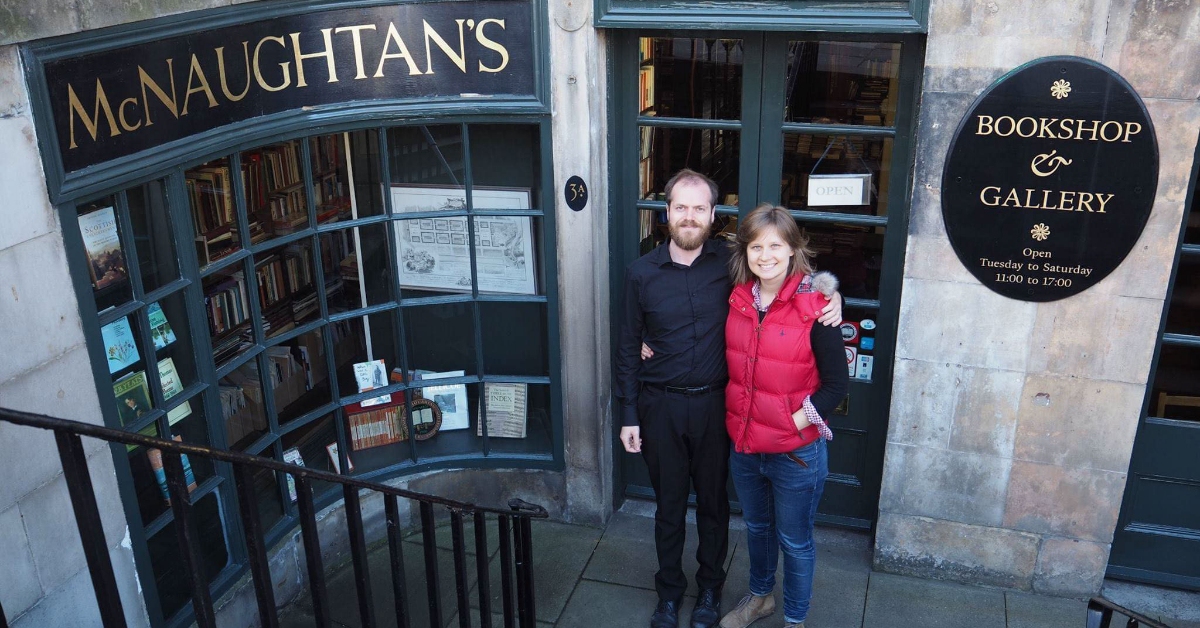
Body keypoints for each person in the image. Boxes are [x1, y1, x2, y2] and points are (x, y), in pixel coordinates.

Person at [615, 170, 842, 628]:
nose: (690, 216)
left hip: (718, 408)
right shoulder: (641, 273)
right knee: (670, 508)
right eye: (681, 207)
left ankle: (710, 593)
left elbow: (789, 276)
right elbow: (626, 346)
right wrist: (628, 414)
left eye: (700, 208)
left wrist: (832, 294)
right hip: (660, 406)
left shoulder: (730, 266)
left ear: (713, 215)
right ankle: (668, 594)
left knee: (716, 506)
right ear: (667, 213)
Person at [718, 204, 850, 628]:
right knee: (757, 529)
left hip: (795, 454)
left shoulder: (817, 307)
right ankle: (760, 599)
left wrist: (793, 424)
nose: (765, 255)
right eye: (756, 246)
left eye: (775, 245)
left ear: (793, 249)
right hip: (745, 448)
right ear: (745, 253)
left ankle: (795, 619)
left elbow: (836, 386)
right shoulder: (738, 299)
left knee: (794, 541)